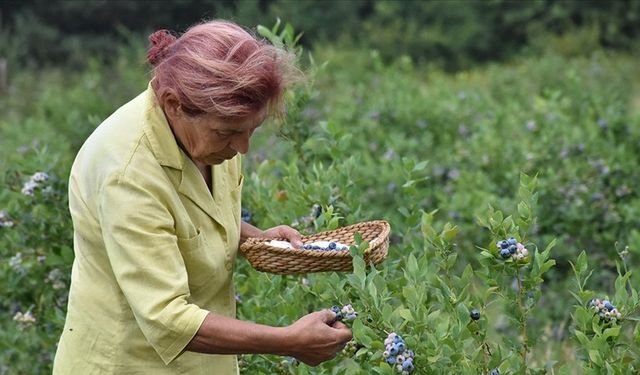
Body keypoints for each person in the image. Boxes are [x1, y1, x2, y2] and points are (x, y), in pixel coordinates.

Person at [52, 20, 352, 374]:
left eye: (251, 130)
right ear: (174, 104)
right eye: (229, 133)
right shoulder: (127, 173)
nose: (242, 147)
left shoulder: (208, 135)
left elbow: (188, 217)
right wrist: (288, 340)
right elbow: (166, 316)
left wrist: (253, 237)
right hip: (131, 364)